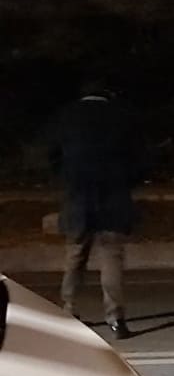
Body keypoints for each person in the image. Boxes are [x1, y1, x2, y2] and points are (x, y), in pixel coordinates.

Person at [50, 83, 144, 340]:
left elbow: (53, 155)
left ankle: (68, 310)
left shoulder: (67, 115)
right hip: (113, 197)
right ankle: (116, 318)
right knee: (111, 258)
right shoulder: (122, 116)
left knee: (75, 254)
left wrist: (68, 178)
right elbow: (138, 158)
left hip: (78, 196)